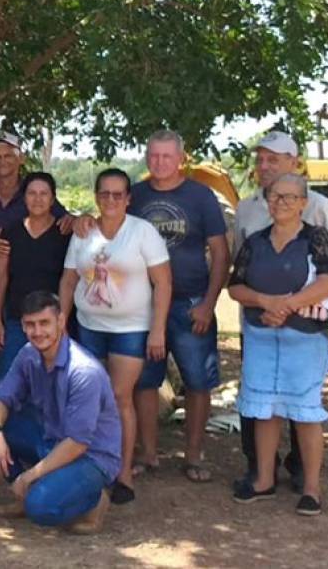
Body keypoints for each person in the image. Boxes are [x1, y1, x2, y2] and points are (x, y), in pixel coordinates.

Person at [232, 130, 328, 492]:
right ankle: (261, 474)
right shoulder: (247, 212)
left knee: (303, 407)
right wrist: (266, 304)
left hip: (305, 328)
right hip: (258, 327)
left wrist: (287, 306)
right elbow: (238, 276)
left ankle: (305, 478)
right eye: (261, 159)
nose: (264, 166)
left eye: (274, 159)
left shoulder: (320, 214)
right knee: (261, 404)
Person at [58, 168, 171, 504]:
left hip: (130, 328)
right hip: (90, 325)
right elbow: (68, 280)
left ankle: (123, 474)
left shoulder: (143, 232)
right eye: (104, 194)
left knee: (120, 396)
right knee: (89, 397)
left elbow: (163, 282)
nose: (110, 200)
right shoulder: (83, 232)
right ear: (96, 196)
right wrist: (62, 318)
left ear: (128, 198)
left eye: (117, 194)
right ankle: (92, 464)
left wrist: (158, 329)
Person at [129, 131, 229, 483]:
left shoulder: (200, 196)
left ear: (181, 158)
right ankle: (148, 453)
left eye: (166, 157)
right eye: (153, 156)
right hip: (143, 303)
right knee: (144, 381)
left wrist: (208, 302)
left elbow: (220, 252)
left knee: (198, 381)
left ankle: (194, 455)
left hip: (190, 303)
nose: (159, 163)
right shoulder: (135, 195)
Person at [0, 135, 75, 437]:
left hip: (47, 317)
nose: (2, 162)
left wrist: (82, 220)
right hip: (3, 309)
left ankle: (41, 440)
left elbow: (71, 236)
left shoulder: (58, 224)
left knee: (46, 380)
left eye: (8, 156)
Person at [0, 292, 120, 534]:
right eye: (30, 324)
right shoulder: (28, 354)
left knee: (41, 508)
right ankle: (25, 496)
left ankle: (94, 498)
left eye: (44, 323)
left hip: (90, 456)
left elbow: (78, 443)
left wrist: (30, 475)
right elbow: (1, 398)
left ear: (61, 321)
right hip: (50, 438)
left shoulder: (84, 372)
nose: (37, 332)